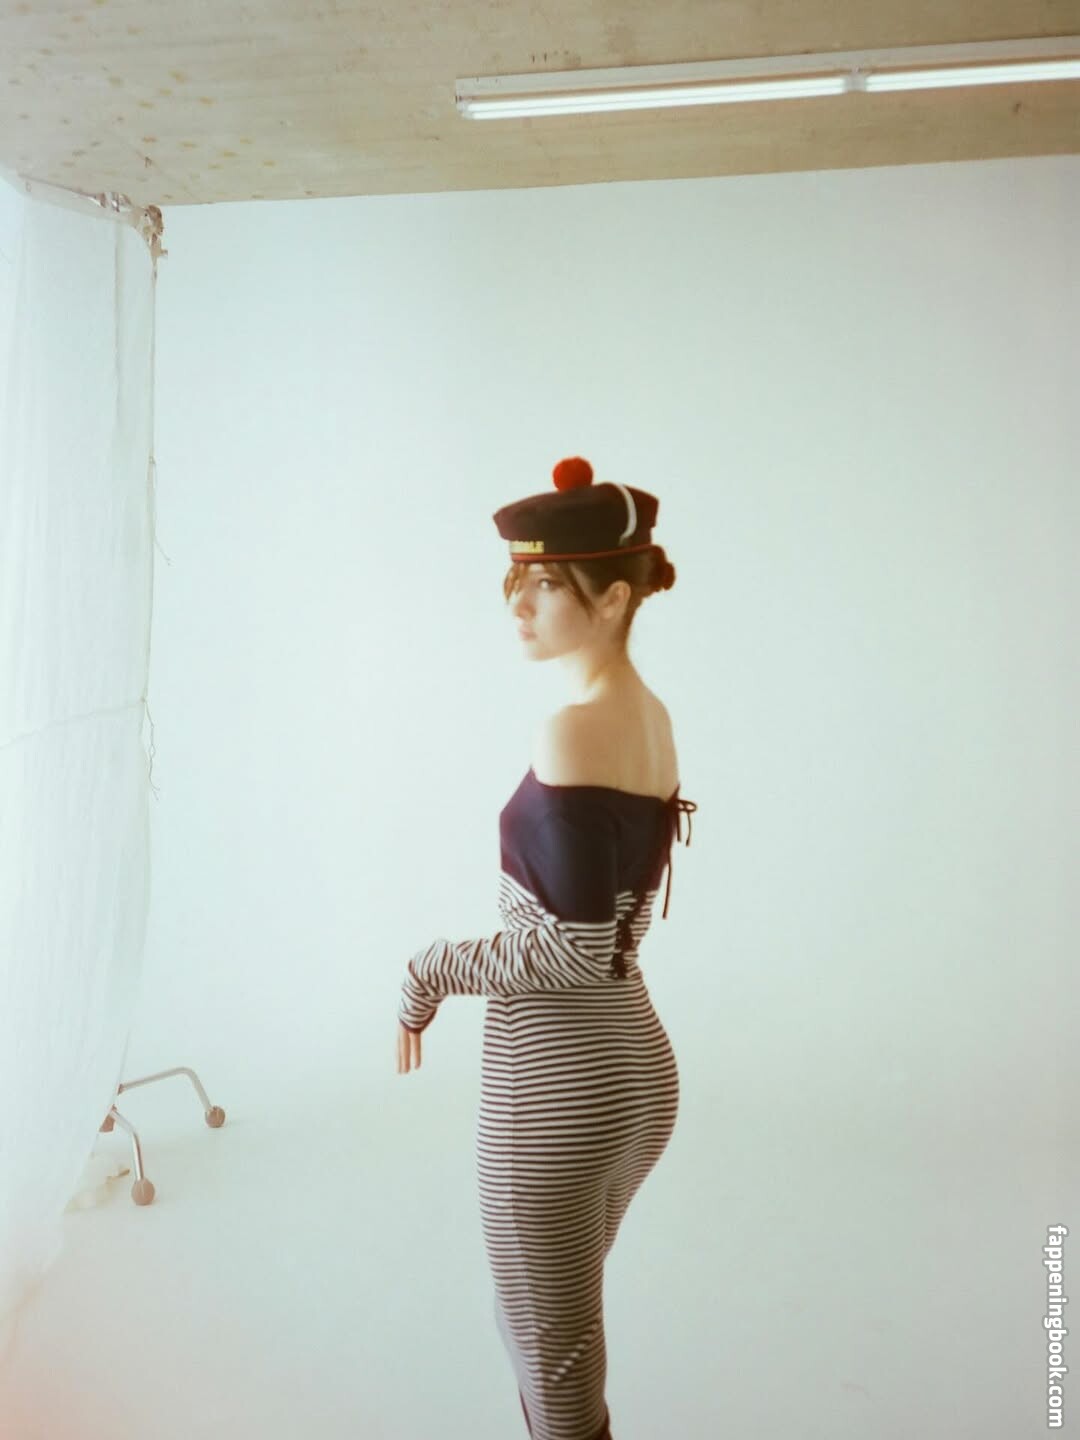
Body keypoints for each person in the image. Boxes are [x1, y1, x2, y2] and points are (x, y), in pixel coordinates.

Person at [396, 456, 697, 1440]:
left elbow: (570, 952)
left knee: (555, 1368)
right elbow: (609, 938)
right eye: (515, 583)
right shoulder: (649, 717)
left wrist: (432, 968)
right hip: (635, 1072)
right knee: (540, 1331)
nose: (518, 607)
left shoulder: (572, 731)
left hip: (558, 1095)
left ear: (613, 599)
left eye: (545, 586)